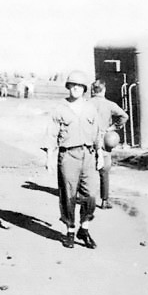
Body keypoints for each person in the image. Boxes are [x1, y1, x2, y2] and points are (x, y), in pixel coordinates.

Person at [43, 70, 102, 249]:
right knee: (68, 195)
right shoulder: (60, 109)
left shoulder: (91, 108)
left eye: (79, 85)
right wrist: (49, 157)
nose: (76, 88)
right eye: (73, 85)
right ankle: (70, 230)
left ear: (84, 88)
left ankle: (84, 229)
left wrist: (100, 154)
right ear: (68, 87)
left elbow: (98, 132)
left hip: (89, 155)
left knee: (91, 195)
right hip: (68, 155)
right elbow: (51, 134)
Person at [89, 79, 129, 209]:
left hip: (88, 140)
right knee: (104, 171)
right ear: (104, 90)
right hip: (103, 140)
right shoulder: (110, 104)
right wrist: (113, 127)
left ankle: (86, 198)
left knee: (87, 170)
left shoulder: (86, 104)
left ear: (92, 90)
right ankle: (104, 201)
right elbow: (124, 116)